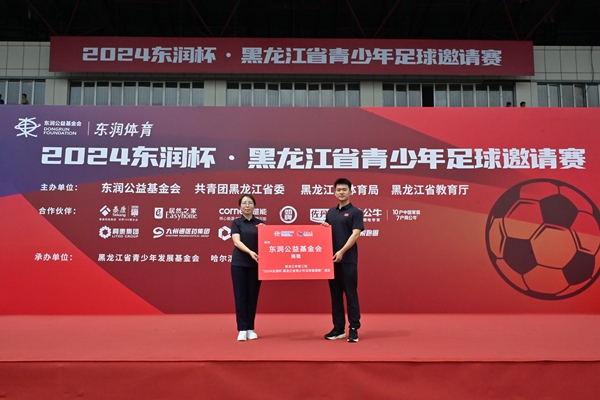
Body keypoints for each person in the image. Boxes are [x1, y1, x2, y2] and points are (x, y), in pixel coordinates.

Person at [321, 178, 364, 343]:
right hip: (331, 261)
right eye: (338, 190)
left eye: (344, 189)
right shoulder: (331, 212)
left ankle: (353, 329)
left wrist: (341, 251)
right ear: (334, 192)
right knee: (335, 296)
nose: (341, 192)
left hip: (348, 260)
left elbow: (356, 234)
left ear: (350, 192)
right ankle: (338, 328)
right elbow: (325, 234)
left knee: (351, 295)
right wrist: (323, 229)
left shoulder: (355, 212)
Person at [230, 194, 264, 341]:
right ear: (240, 206)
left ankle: (250, 327)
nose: (247, 205)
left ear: (254, 206)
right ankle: (242, 328)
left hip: (256, 264)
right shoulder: (236, 223)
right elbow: (236, 242)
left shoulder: (260, 224)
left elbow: (268, 242)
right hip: (239, 264)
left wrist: (266, 232)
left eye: (250, 203)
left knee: (252, 296)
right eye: (244, 203)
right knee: (240, 296)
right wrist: (250, 252)